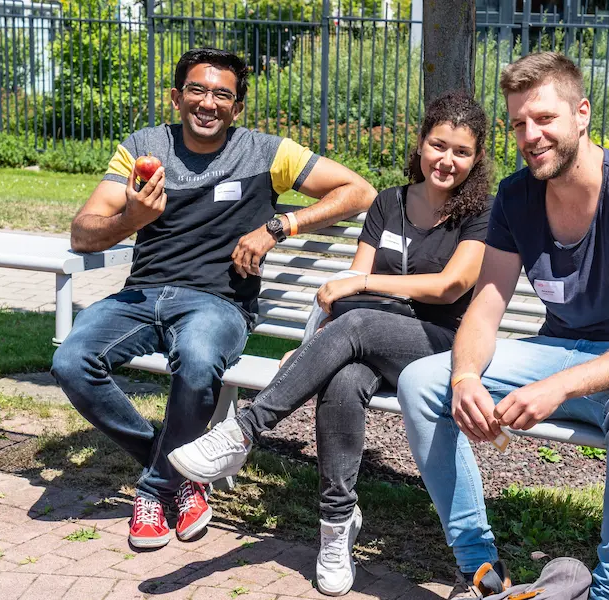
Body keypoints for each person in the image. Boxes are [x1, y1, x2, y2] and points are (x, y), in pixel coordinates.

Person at [397, 52, 609, 600]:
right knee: (424, 381)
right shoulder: (516, 196)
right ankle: (482, 572)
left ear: (581, 114)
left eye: (544, 119)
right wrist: (465, 377)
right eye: (518, 123)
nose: (530, 135)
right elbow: (484, 309)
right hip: (563, 351)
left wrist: (557, 386)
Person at [168, 91, 493, 596]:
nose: (447, 160)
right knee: (341, 379)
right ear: (421, 143)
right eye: (438, 145)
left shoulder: (479, 214)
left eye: (462, 152)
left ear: (477, 159)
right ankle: (337, 526)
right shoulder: (389, 202)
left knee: (357, 325)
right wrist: (323, 341)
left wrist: (361, 291)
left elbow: (447, 286)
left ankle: (246, 430)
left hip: (438, 346)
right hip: (367, 340)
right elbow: (352, 287)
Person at [50, 48, 375, 550]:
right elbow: (82, 233)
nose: (208, 103)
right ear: (176, 97)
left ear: (237, 107)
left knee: (199, 361)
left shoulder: (267, 152)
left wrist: (279, 225)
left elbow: (359, 191)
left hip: (217, 304)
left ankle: (157, 486)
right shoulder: (142, 148)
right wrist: (130, 220)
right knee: (71, 360)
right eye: (197, 91)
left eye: (222, 94)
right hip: (140, 297)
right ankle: (179, 470)